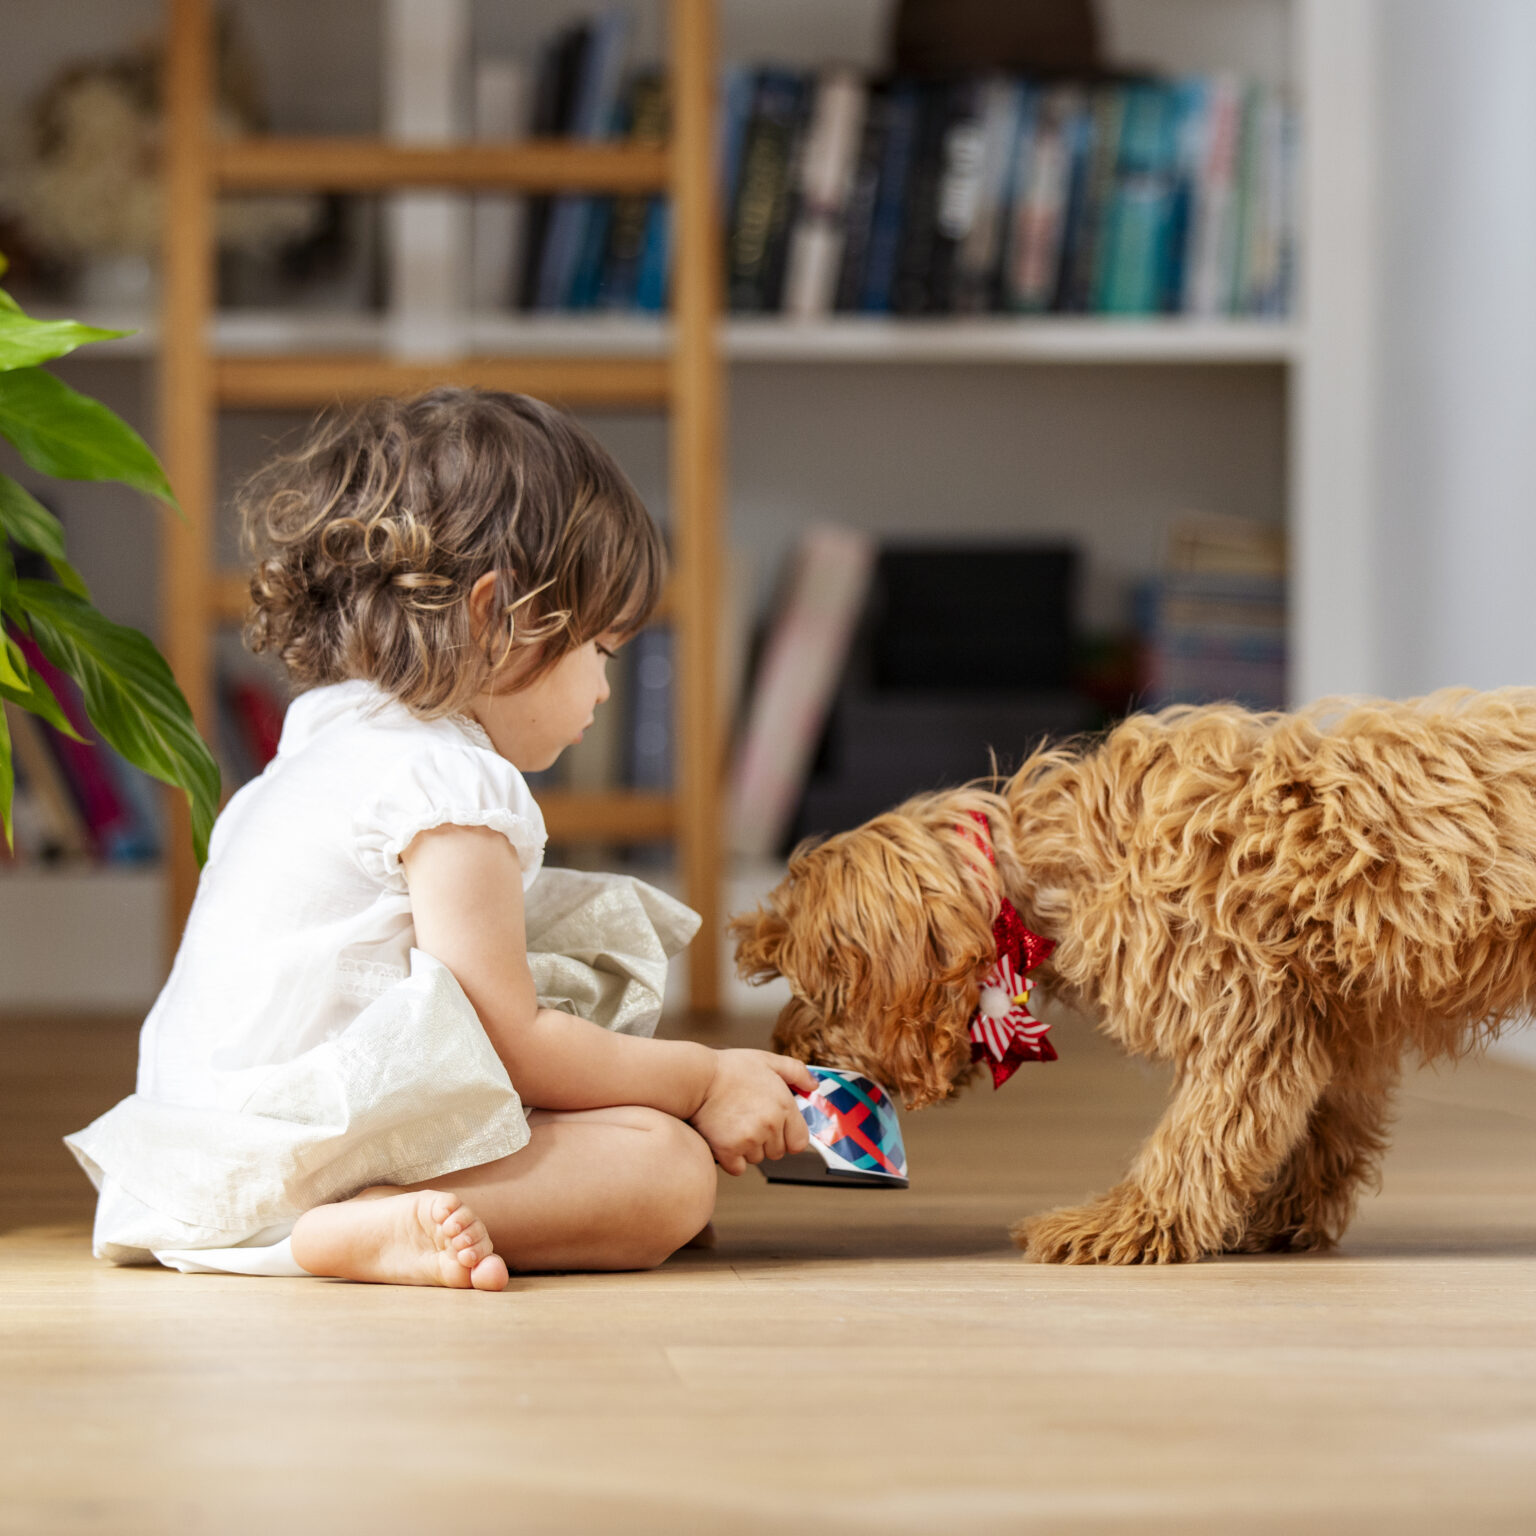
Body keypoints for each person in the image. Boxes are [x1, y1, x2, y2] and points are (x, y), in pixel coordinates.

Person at [65, 388, 813, 1291]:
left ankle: (351, 1224)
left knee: (633, 1126)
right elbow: (514, 1044)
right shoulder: (451, 786)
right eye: (602, 653)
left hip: (198, 1149)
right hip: (291, 1167)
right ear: (497, 617)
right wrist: (700, 1080)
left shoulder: (322, 745)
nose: (606, 692)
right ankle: (343, 1232)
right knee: (666, 1171)